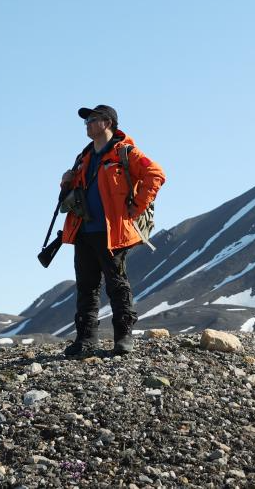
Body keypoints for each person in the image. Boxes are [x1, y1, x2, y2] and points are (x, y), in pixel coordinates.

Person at [59, 104, 166, 356]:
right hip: (84, 231)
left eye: (92, 120)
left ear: (107, 122)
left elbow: (156, 174)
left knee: (117, 285)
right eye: (86, 121)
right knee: (86, 287)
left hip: (112, 232)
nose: (87, 125)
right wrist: (65, 181)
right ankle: (85, 340)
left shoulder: (125, 153)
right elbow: (72, 194)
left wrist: (136, 207)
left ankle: (123, 338)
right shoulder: (84, 157)